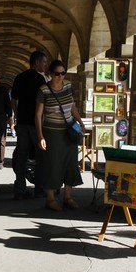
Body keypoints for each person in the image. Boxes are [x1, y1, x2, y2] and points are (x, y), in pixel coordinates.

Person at [35, 59, 85, 210]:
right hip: (52, 133)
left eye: (63, 73)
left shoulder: (68, 85)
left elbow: (72, 107)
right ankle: (50, 199)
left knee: (70, 164)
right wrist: (40, 136)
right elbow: (38, 115)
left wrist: (80, 123)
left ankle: (67, 197)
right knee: (53, 164)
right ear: (50, 74)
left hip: (69, 131)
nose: (60, 76)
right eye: (57, 74)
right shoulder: (43, 90)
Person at [11, 50, 48, 200]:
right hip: (36, 124)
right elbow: (45, 102)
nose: (45, 65)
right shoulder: (41, 80)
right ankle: (39, 189)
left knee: (21, 156)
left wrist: (17, 115)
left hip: (23, 123)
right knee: (40, 157)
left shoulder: (19, 78)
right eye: (43, 62)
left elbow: (13, 100)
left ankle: (20, 190)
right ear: (37, 62)